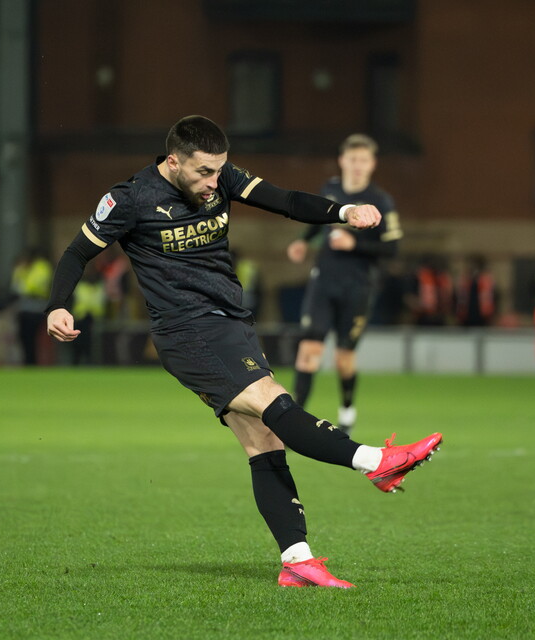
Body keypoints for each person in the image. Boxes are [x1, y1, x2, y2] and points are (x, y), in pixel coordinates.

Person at [45, 116, 441, 589]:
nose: (215, 183)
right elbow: (75, 253)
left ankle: (297, 560)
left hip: (230, 320)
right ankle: (375, 461)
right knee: (271, 401)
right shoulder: (130, 199)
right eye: (204, 173)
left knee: (262, 441)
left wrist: (343, 212)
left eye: (220, 171)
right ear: (173, 162)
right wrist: (57, 306)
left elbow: (288, 201)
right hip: (185, 331)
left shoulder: (222, 176)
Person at [285, 134, 403, 433]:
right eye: (352, 159)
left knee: (344, 358)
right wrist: (303, 242)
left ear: (372, 164)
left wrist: (355, 244)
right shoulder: (331, 189)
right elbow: (318, 221)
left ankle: (348, 408)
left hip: (358, 286)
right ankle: (294, 421)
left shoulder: (381, 201)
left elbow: (392, 249)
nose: (357, 166)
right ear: (342, 161)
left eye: (363, 160)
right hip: (324, 280)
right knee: (309, 349)